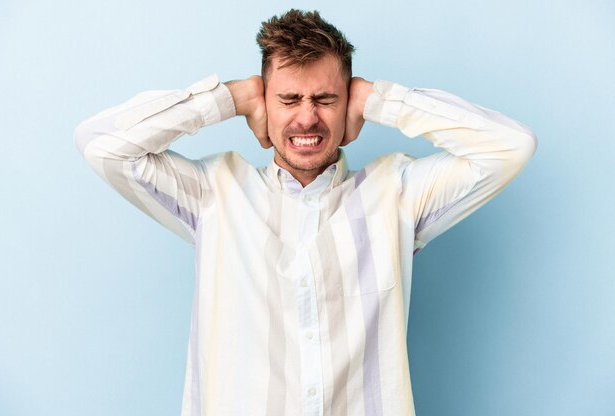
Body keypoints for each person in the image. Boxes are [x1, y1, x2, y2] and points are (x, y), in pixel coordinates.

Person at [74, 9, 537, 416]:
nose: (307, 118)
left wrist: (379, 100)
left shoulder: (398, 195)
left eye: (325, 99)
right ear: (265, 103)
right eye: (289, 99)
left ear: (347, 103)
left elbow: (510, 147)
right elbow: (102, 146)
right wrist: (230, 98)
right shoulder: (212, 194)